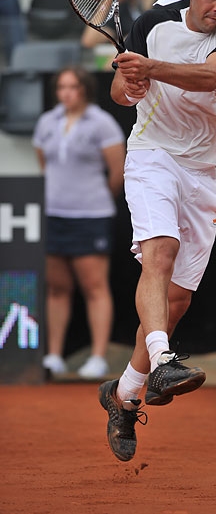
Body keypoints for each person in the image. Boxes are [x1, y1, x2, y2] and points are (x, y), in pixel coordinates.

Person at [98, 0, 216, 462]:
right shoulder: (151, 23)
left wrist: (150, 68)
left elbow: (210, 77)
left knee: (179, 299)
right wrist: (130, 85)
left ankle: (124, 394)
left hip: (204, 169)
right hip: (152, 155)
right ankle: (163, 360)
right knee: (159, 252)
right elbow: (120, 93)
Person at [32, 66, 126, 379]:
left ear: (85, 89)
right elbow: (44, 164)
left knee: (95, 287)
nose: (66, 93)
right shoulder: (47, 122)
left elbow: (117, 170)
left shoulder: (102, 123)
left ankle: (98, 357)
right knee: (57, 288)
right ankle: (54, 356)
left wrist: (96, 199)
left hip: (91, 216)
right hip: (54, 215)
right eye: (61, 87)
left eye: (72, 87)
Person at [81, 0, 161, 67]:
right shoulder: (122, 9)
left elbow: (148, 35)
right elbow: (88, 41)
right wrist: (108, 0)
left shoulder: (161, 2)